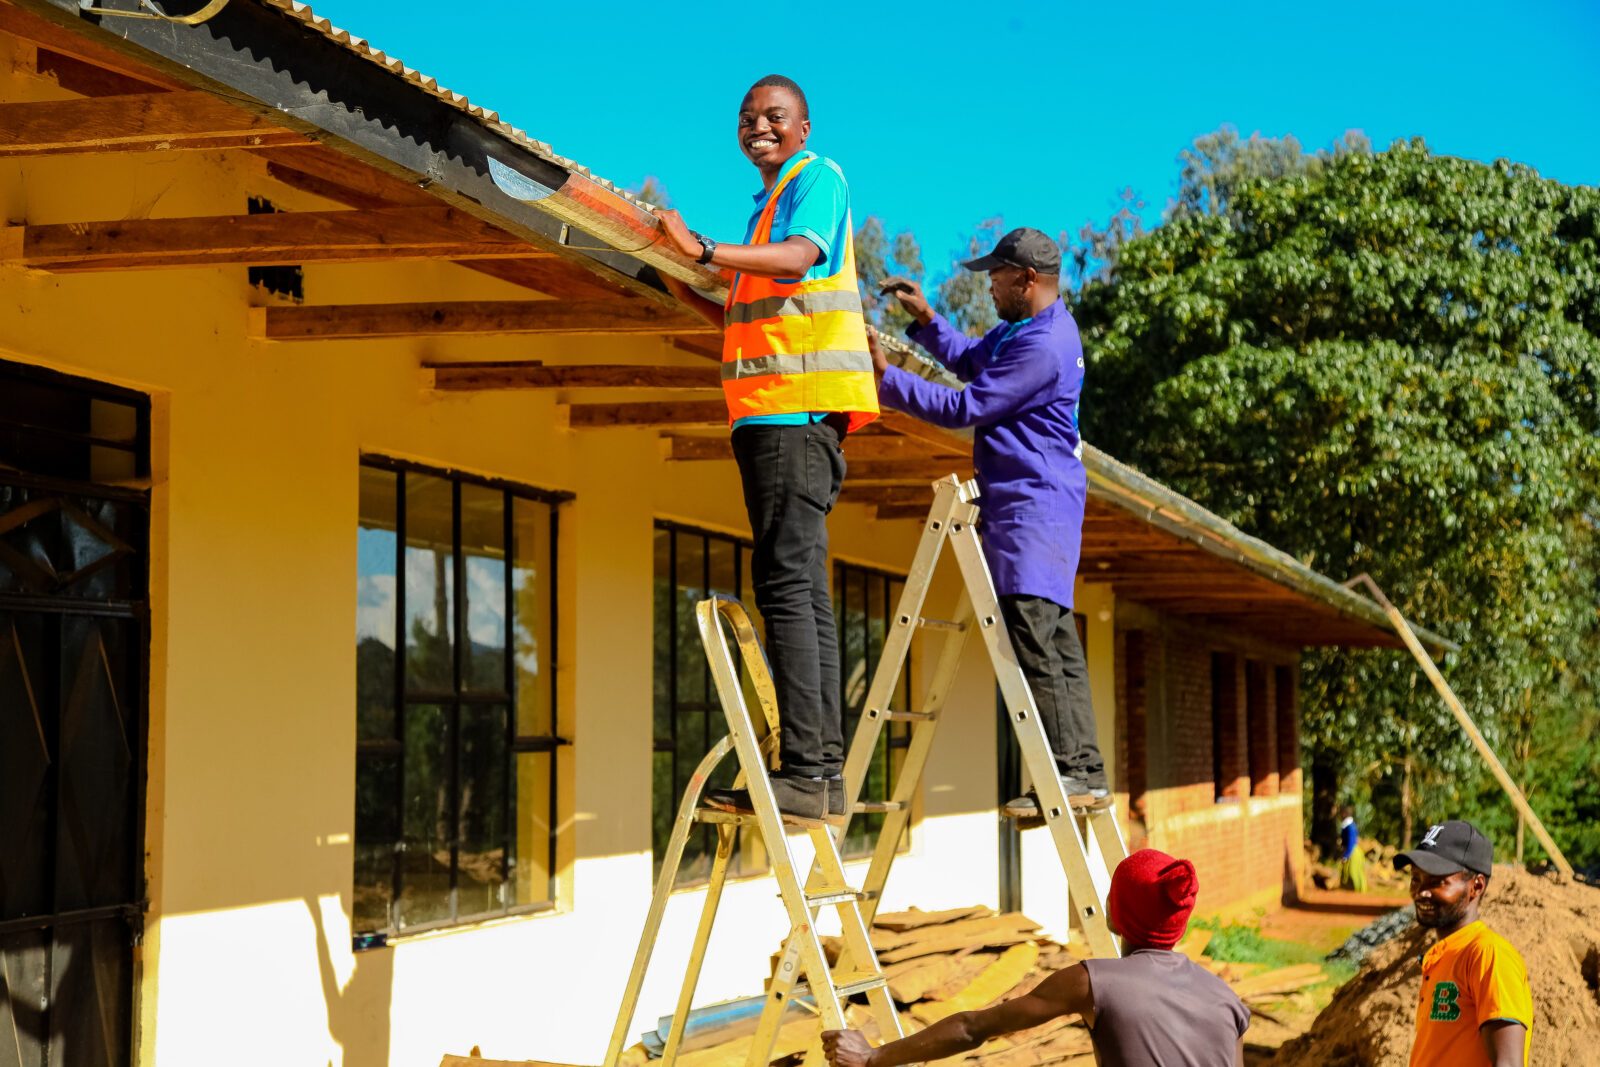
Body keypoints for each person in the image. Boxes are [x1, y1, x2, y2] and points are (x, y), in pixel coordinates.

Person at [653, 75, 879, 824]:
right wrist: (684, 264)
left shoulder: (817, 181)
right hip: (776, 416)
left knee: (789, 589)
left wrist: (709, 249)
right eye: (748, 117)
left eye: (774, 117)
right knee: (802, 592)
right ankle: (820, 779)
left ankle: (805, 774)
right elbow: (745, 299)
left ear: (804, 127)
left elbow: (799, 260)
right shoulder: (767, 209)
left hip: (792, 413)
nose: (759, 127)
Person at [870, 230, 1106, 813]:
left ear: (1027, 280)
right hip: (1034, 504)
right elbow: (973, 358)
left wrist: (884, 381)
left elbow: (966, 405)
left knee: (1035, 635)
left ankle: (1071, 775)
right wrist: (926, 319)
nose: (990, 285)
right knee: (1054, 639)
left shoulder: (1044, 346)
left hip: (1034, 506)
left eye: (997, 277)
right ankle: (1086, 772)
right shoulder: (1023, 332)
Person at [821, 848, 1249, 1067]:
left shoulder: (1094, 982)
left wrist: (871, 1056)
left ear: (1118, 914)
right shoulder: (1227, 1001)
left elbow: (973, 1028)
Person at [1394, 820, 1531, 1067]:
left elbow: (1508, 1063)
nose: (1421, 892)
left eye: (1437, 882)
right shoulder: (1444, 955)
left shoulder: (1488, 955)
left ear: (1476, 886)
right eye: (1416, 879)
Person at [1338, 804, 1368, 892]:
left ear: (1344, 814)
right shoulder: (1348, 825)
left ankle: (1358, 890)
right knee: (1351, 871)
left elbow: (1351, 842)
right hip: (1351, 850)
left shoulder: (1350, 826)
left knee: (1354, 871)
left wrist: (1346, 855)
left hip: (1352, 851)